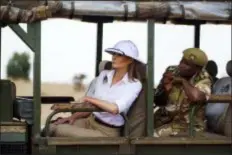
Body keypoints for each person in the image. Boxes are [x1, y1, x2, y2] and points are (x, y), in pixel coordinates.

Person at [49, 40, 143, 137]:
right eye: (113, 53)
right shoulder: (103, 76)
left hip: (107, 132)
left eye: (119, 55)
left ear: (130, 60)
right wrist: (72, 117)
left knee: (58, 129)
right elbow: (91, 107)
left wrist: (88, 98)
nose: (114, 57)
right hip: (90, 121)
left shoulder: (134, 85)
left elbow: (114, 109)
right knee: (51, 126)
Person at [153, 48, 212, 137]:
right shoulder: (172, 70)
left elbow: (196, 97)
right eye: (182, 61)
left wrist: (183, 81)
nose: (181, 65)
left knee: (152, 136)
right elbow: (158, 101)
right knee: (142, 130)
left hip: (188, 126)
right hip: (164, 119)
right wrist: (165, 89)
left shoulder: (203, 78)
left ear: (198, 69)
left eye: (187, 64)